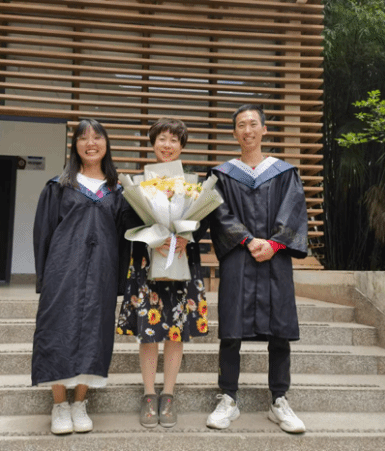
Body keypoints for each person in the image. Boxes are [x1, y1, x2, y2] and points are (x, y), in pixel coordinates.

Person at [206, 104, 308, 433]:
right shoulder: (222, 175)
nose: (247, 130)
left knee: (280, 331)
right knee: (231, 331)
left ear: (264, 129)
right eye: (241, 125)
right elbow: (218, 214)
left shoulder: (284, 173)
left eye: (253, 124)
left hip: (275, 259)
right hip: (238, 256)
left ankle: (279, 400)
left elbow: (293, 210)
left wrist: (275, 244)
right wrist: (248, 240)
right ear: (234, 133)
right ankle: (228, 398)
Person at [32, 118, 131, 435]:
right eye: (83, 138)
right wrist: (44, 278)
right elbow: (43, 234)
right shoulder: (59, 186)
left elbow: (125, 240)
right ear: (74, 146)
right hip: (62, 271)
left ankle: (80, 403)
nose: (91, 143)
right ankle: (59, 405)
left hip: (101, 272)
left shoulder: (118, 190)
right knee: (56, 331)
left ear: (106, 144)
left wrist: (119, 281)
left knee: (95, 333)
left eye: (97, 137)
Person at [116, 118, 209, 428]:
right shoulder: (138, 183)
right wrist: (153, 237)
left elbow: (204, 218)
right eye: (162, 139)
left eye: (173, 140)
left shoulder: (192, 183)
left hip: (182, 260)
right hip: (147, 263)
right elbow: (127, 219)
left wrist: (186, 236)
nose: (167, 145)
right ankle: (148, 394)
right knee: (148, 329)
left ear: (182, 146)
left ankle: (167, 394)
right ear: (152, 142)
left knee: (176, 329)